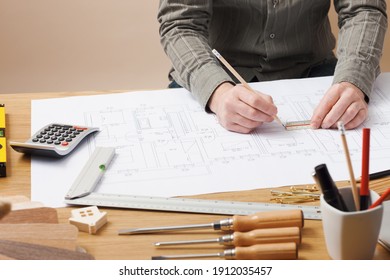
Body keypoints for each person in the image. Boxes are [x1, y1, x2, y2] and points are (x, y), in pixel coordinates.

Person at [157, 0, 387, 133]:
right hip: (215, 72)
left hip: (312, 68)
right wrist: (217, 92)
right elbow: (179, 24)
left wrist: (353, 79)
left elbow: (363, 9)